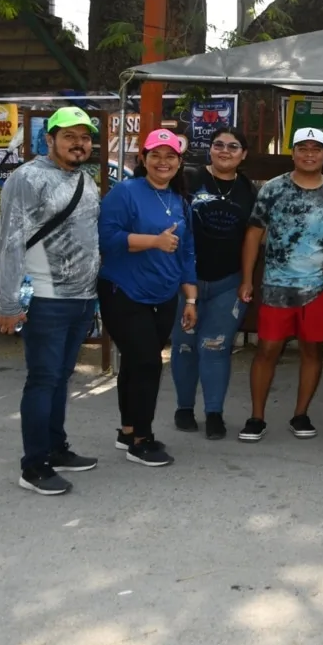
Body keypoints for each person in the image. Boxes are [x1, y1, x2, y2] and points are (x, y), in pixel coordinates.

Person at [0, 107, 102, 495]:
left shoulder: (85, 181)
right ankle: (34, 466)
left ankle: (56, 449)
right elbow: (9, 242)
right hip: (44, 298)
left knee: (60, 379)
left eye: (85, 137)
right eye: (70, 135)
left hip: (81, 299)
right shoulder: (28, 178)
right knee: (42, 380)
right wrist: (8, 303)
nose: (79, 143)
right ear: (50, 139)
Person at [237, 127, 323, 442]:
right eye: (303, 148)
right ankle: (256, 417)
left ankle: (301, 414)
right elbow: (253, 234)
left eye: (316, 148)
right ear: (293, 152)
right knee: (267, 350)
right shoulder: (272, 190)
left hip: (321, 286)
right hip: (277, 285)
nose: (309, 154)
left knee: (313, 350)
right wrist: (247, 279)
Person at [98, 128, 197, 468]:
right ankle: (142, 439)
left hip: (164, 295)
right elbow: (107, 239)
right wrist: (153, 241)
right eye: (155, 154)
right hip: (124, 291)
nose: (163, 161)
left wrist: (191, 299)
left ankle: (128, 430)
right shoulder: (124, 193)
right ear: (143, 159)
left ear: (179, 162)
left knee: (136, 361)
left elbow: (186, 253)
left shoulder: (179, 201)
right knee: (148, 363)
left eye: (170, 156)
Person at [171, 127, 257, 440]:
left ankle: (214, 413)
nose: (224, 150)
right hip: (185, 282)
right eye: (218, 145)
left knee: (216, 347)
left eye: (233, 146)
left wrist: (247, 279)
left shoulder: (248, 189)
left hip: (226, 282)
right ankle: (183, 408)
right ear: (210, 150)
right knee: (184, 346)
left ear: (243, 154)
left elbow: (252, 237)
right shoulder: (189, 178)